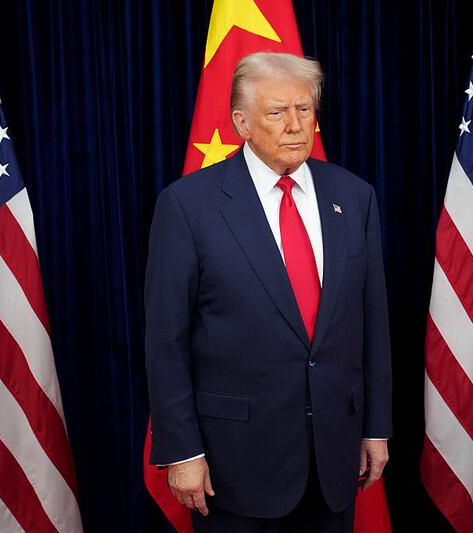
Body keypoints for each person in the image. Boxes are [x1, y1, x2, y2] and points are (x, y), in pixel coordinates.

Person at [145, 52, 392, 532]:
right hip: (233, 465)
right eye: (277, 113)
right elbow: (166, 341)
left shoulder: (354, 196)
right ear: (242, 123)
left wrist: (376, 428)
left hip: (334, 458)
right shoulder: (188, 206)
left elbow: (372, 322)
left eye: (305, 110)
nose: (296, 125)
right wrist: (183, 451)